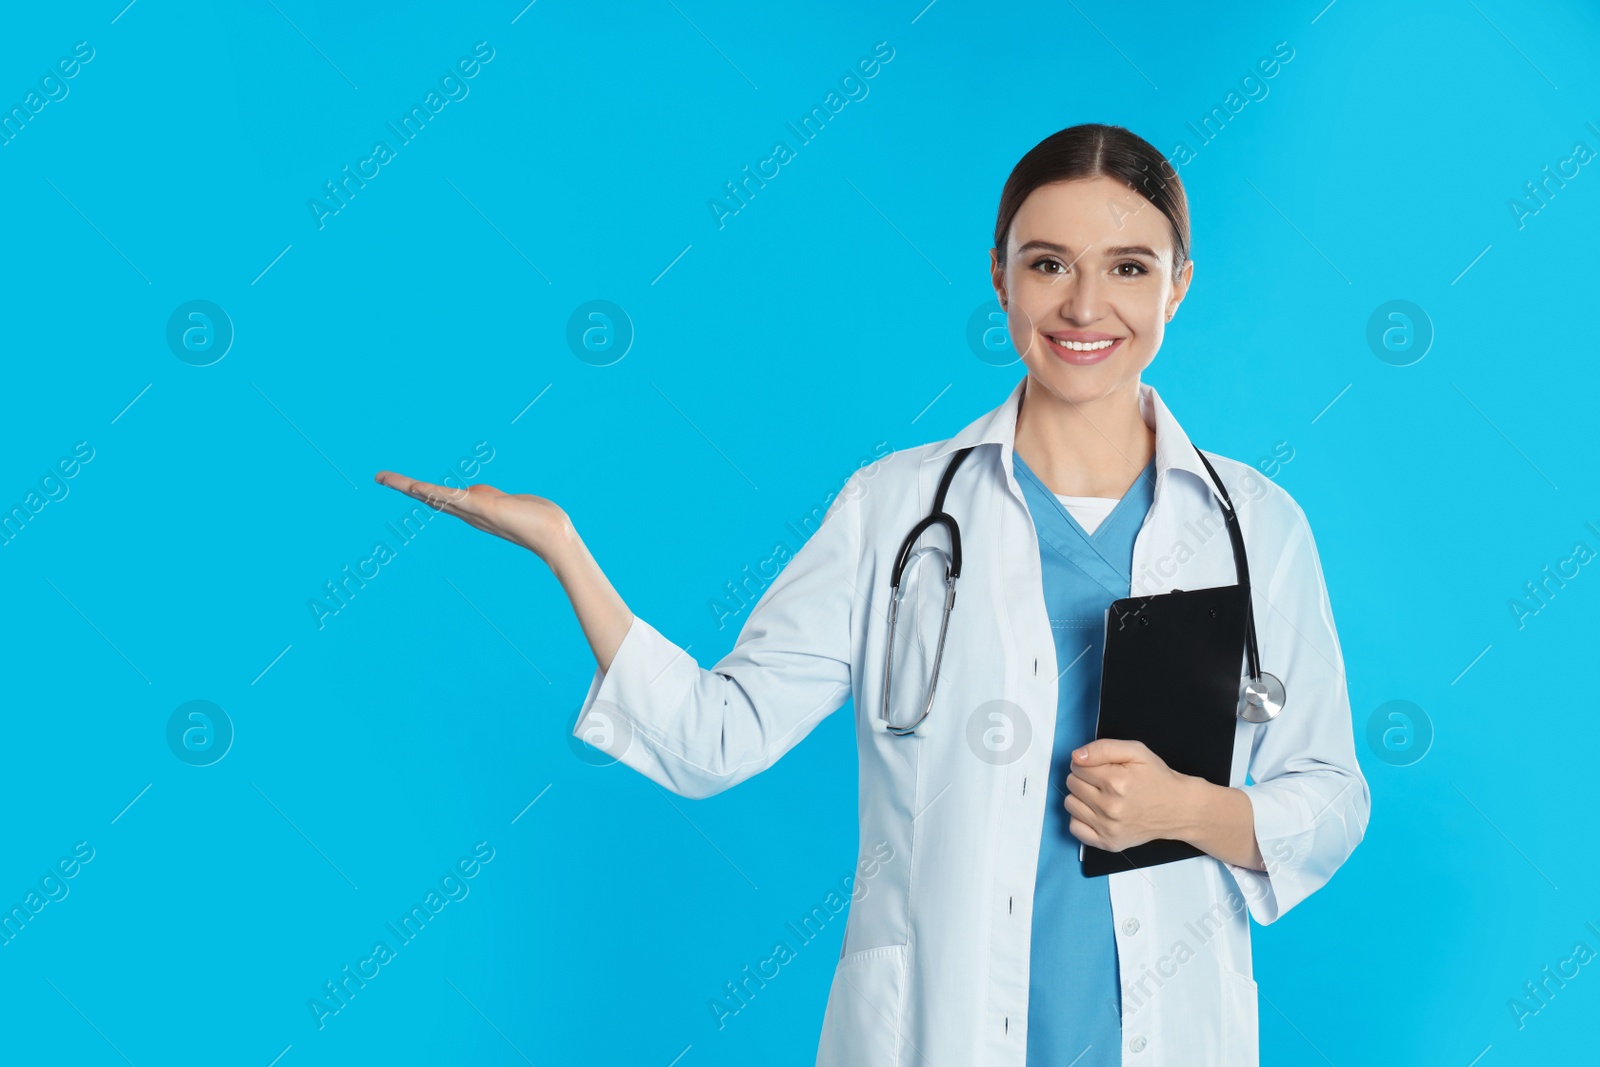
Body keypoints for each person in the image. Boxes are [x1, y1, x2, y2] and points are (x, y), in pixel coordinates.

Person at [375, 123, 1370, 1067]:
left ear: (1177, 286)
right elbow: (713, 735)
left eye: (1127, 268)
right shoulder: (893, 507)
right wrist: (562, 547)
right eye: (1047, 262)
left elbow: (1328, 795)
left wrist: (1190, 808)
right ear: (999, 275)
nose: (1082, 305)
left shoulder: (1255, 524)